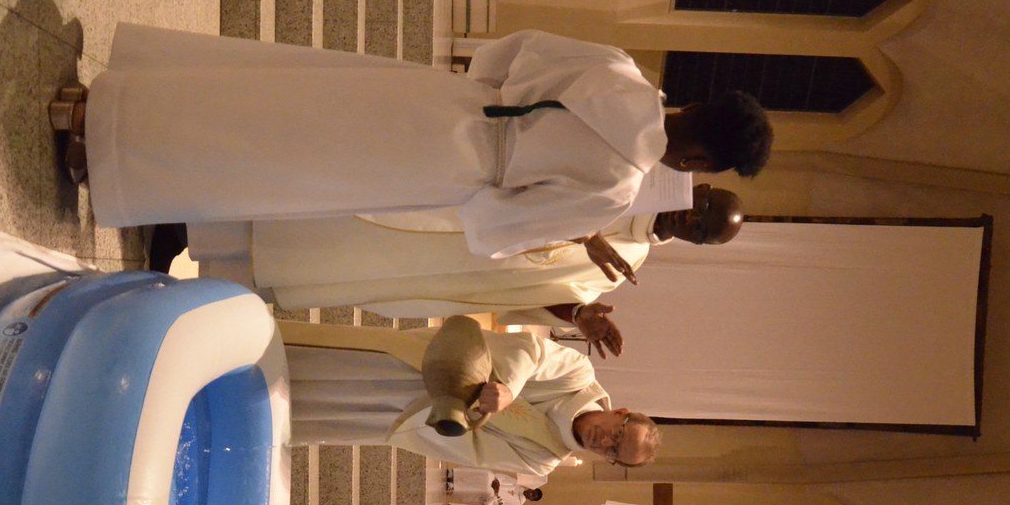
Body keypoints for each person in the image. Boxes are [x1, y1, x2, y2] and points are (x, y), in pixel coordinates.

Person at [52, 25, 773, 260]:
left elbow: (513, 50)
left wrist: (488, 96)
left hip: (442, 101)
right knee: (275, 161)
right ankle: (106, 155)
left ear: (697, 105)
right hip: (444, 166)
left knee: (277, 97)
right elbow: (499, 228)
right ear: (700, 162)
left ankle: (105, 103)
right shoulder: (617, 188)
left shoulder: (618, 69)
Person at [192, 183, 746, 357]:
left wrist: (578, 314)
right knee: (329, 220)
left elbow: (539, 291)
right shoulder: (629, 179)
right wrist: (581, 225)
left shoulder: (626, 267)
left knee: (333, 269)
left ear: (696, 243)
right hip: (443, 211)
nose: (690, 219)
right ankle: (199, 219)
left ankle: (209, 264)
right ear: (699, 185)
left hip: (446, 270)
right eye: (702, 207)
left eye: (701, 229)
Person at [277, 319, 659, 476]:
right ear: (621, 412)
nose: (605, 443)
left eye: (613, 452)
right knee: (327, 362)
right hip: (421, 365)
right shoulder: (578, 375)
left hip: (411, 415)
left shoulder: (544, 458)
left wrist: (454, 416)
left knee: (308, 409)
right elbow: (532, 352)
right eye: (618, 435)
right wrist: (508, 388)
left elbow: (473, 451)